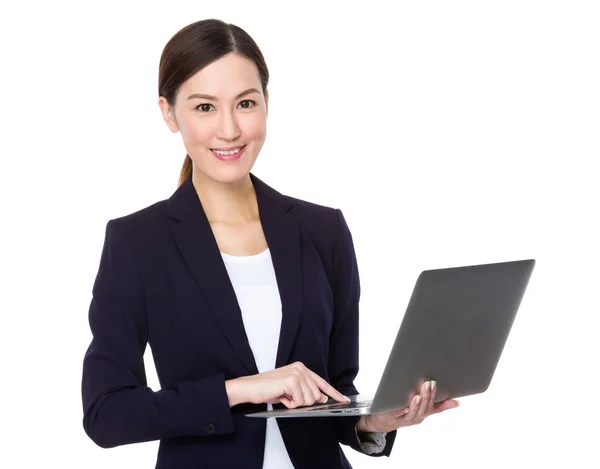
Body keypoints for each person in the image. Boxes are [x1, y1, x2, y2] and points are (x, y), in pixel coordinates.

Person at [81, 18, 459, 469]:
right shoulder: (137, 243)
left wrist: (371, 423)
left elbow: (336, 392)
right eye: (204, 107)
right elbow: (107, 414)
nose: (229, 129)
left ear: (266, 103)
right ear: (168, 113)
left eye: (245, 103)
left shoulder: (323, 230)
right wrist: (239, 389)